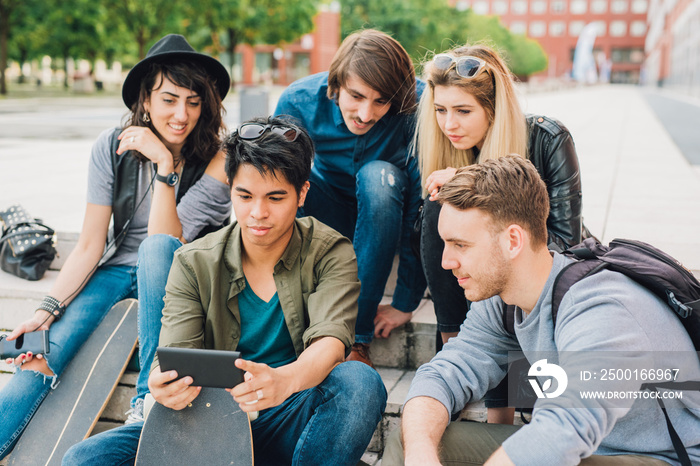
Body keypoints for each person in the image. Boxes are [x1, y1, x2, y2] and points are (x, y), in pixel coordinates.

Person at [63, 116, 387, 466]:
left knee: (359, 382)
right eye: (244, 196)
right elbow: (174, 354)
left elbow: (332, 343)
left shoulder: (329, 251)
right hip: (206, 423)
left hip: (289, 415)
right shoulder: (194, 262)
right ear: (230, 186)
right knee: (85, 458)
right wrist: (162, 385)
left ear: (302, 193)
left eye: (275, 198)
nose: (258, 213)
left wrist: (283, 379)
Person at [0, 34, 232, 458]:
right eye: (168, 99)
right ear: (145, 101)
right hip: (113, 272)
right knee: (40, 358)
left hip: (177, 276)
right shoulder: (111, 145)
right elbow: (90, 244)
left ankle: (146, 408)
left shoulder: (219, 158)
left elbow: (167, 244)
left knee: (153, 254)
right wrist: (45, 310)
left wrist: (164, 167)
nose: (182, 114)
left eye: (194, 102)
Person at [383, 155, 700, 465]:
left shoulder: (602, 309)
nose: (446, 262)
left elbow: (563, 430)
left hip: (657, 457)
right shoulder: (502, 301)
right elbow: (445, 372)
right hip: (586, 447)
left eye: (460, 245)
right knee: (413, 439)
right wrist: (420, 454)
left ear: (512, 241)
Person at [415, 44, 590, 422]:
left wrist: (467, 183)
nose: (449, 125)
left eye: (463, 111)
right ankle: (457, 357)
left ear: (494, 110)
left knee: (498, 269)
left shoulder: (547, 138)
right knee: (437, 209)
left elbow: (565, 245)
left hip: (547, 283)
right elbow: (440, 254)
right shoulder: (448, 153)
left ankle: (501, 414)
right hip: (478, 311)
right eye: (441, 110)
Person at [274, 29, 426, 367]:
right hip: (328, 204)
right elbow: (269, 189)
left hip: (387, 204)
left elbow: (421, 206)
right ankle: (289, 322)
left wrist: (405, 300)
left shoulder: (419, 106)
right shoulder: (297, 101)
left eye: (380, 101)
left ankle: (356, 339)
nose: (365, 114)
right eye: (356, 96)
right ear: (336, 84)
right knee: (286, 180)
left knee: (378, 177)